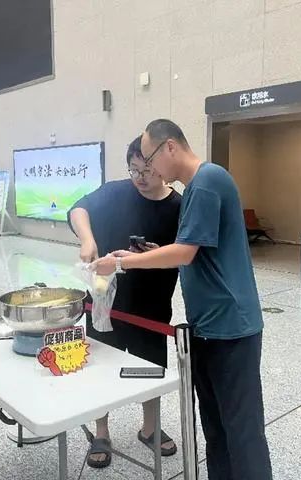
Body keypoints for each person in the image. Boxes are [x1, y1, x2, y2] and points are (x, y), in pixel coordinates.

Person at [92, 120, 273, 479]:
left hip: (230, 328)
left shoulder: (207, 181)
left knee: (241, 430)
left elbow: (185, 252)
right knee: (215, 426)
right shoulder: (195, 188)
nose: (151, 171)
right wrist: (153, 253)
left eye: (150, 161)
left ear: (170, 147)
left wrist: (122, 263)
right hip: (206, 328)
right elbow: (196, 252)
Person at [67, 135, 182, 469]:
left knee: (151, 369)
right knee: (101, 367)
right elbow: (78, 209)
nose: (140, 178)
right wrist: (87, 240)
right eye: (134, 170)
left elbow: (185, 254)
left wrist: (156, 255)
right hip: (106, 305)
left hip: (152, 306)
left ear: (162, 166)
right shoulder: (116, 192)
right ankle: (101, 432)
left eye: (147, 170)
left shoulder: (178, 207)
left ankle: (150, 427)